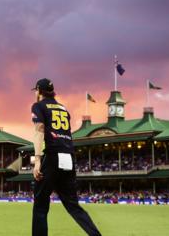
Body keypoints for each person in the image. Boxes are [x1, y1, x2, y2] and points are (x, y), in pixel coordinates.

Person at [31, 78, 101, 236]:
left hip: (52, 156)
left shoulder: (38, 106)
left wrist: (37, 160)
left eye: (35, 91)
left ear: (39, 91)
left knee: (41, 205)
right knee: (73, 205)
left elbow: (39, 130)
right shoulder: (63, 108)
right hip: (68, 157)